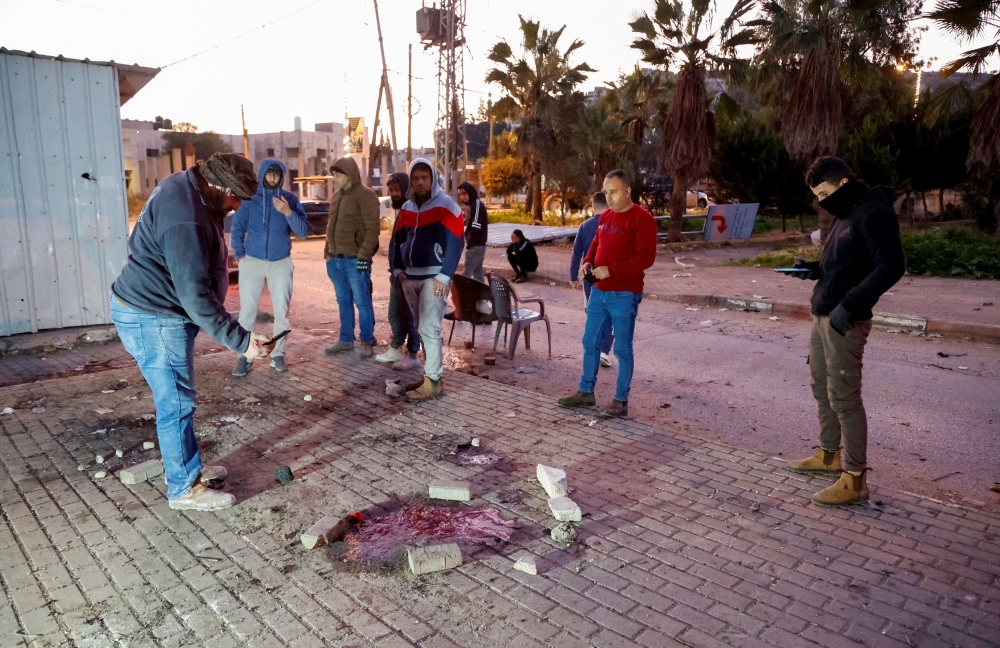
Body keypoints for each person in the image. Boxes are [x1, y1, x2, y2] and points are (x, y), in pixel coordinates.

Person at [110, 153, 274, 511]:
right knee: (176, 403)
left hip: (157, 310)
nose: (234, 207)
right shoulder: (184, 215)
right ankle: (184, 487)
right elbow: (193, 294)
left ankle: (188, 467)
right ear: (218, 186)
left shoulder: (190, 190)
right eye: (234, 198)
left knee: (177, 399)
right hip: (153, 315)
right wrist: (242, 342)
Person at [785, 156, 905, 507]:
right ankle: (827, 456)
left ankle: (854, 479)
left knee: (844, 397)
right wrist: (813, 269)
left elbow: (892, 265)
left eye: (824, 193)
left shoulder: (874, 212)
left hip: (845, 320)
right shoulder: (843, 214)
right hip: (823, 314)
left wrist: (850, 304)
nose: (821, 201)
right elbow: (840, 263)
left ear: (843, 184)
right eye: (816, 195)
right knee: (821, 388)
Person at [558, 170, 656, 418]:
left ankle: (620, 401)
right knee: (589, 342)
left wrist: (610, 270)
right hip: (598, 293)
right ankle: (585, 392)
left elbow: (647, 258)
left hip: (624, 294)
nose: (609, 197)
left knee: (622, 349)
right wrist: (588, 262)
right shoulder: (606, 217)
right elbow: (595, 244)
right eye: (606, 193)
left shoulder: (642, 219)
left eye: (613, 192)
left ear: (627, 191)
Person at [390, 159, 465, 402]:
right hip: (410, 277)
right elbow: (396, 238)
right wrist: (397, 269)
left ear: (433, 178)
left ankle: (433, 381)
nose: (421, 182)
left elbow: (456, 241)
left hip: (435, 277)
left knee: (429, 328)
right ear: (410, 181)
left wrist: (445, 275)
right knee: (423, 330)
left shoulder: (446, 205)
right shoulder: (408, 208)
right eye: (416, 178)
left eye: (425, 177)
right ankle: (429, 377)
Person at [230, 158, 309, 377]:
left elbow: (303, 231)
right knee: (247, 313)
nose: (273, 178)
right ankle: (245, 357)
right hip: (252, 262)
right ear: (262, 174)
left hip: (280, 263)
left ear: (282, 176)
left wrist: (287, 212)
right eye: (269, 174)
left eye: (277, 175)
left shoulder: (290, 199)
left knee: (281, 313)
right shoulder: (249, 200)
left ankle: (278, 355)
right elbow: (237, 228)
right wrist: (240, 256)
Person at [323, 156, 381, 358]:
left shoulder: (366, 195)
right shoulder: (337, 196)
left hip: (355, 259)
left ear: (348, 174)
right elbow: (330, 224)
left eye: (337, 175)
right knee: (343, 301)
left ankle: (367, 340)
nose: (334, 179)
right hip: (336, 260)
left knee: (362, 301)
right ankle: (346, 340)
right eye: (333, 175)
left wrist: (364, 256)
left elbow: (373, 229)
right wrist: (328, 254)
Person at [375, 172, 422, 370]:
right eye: (391, 190)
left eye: (397, 189)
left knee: (411, 315)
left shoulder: (413, 210)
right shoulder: (403, 210)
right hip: (398, 273)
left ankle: (412, 354)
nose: (393, 194)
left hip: (409, 274)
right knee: (396, 313)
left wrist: (403, 270)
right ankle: (397, 347)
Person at [570, 191, 614, 369]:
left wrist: (573, 276)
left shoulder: (584, 226)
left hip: (589, 276)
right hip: (610, 275)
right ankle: (603, 350)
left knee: (593, 311)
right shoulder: (615, 225)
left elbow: (576, 253)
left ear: (593, 206)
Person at [458, 181, 488, 282]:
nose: (463, 197)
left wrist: (469, 243)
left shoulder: (477, 204)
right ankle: (482, 297)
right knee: (478, 277)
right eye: (460, 195)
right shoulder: (473, 205)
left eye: (464, 193)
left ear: (470, 192)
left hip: (476, 247)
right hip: (476, 246)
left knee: (465, 275)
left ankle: (458, 296)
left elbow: (476, 226)